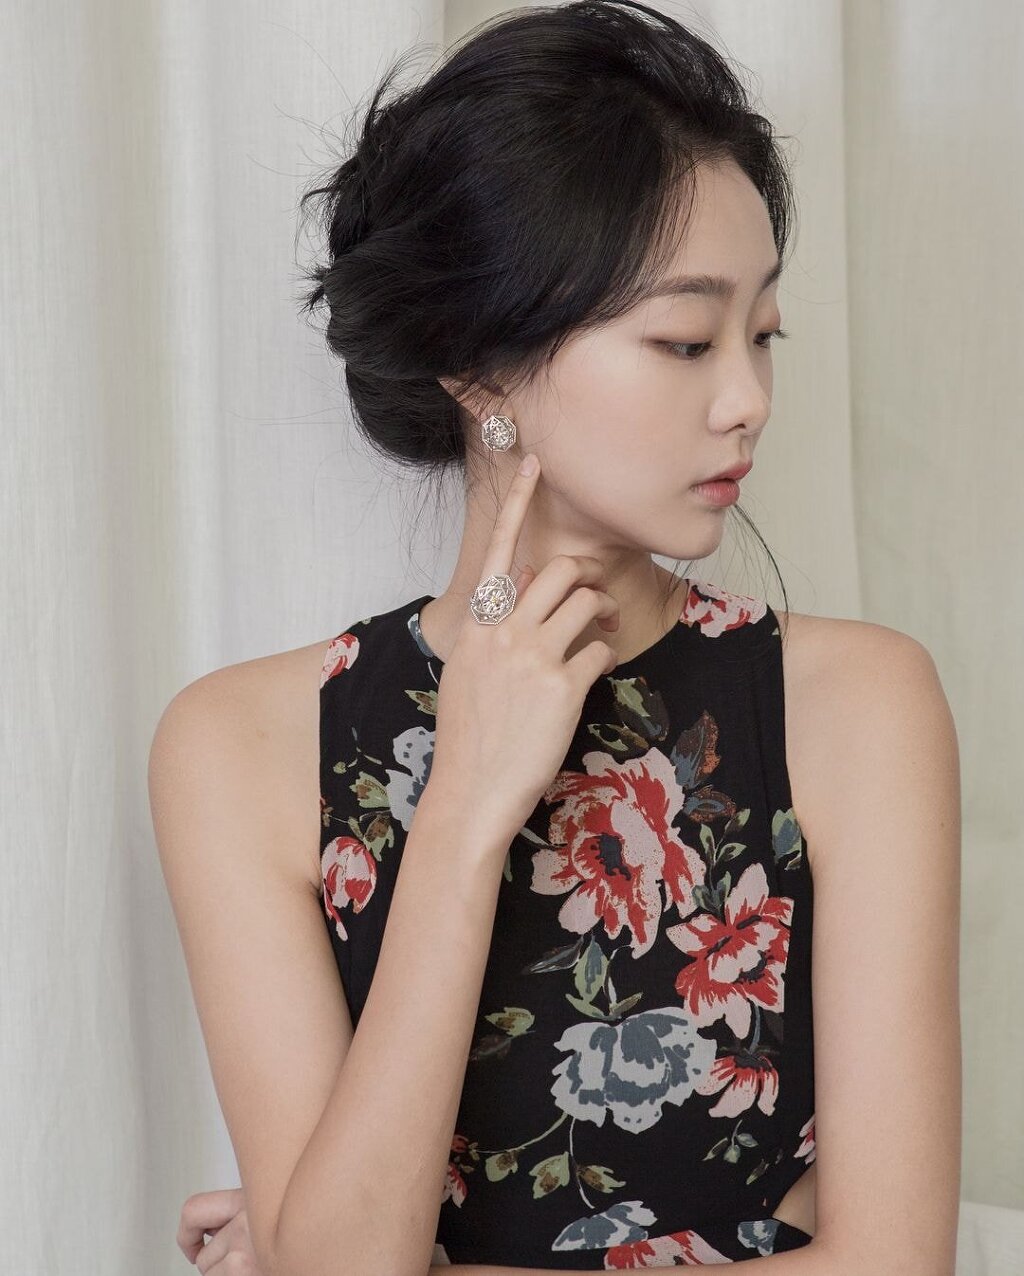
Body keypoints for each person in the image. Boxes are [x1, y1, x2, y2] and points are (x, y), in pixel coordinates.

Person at [149, 2, 962, 1273]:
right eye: (684, 340)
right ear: (477, 366)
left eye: (761, 336)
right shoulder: (239, 745)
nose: (747, 399)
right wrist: (466, 805)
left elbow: (895, 1266)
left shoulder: (856, 703)